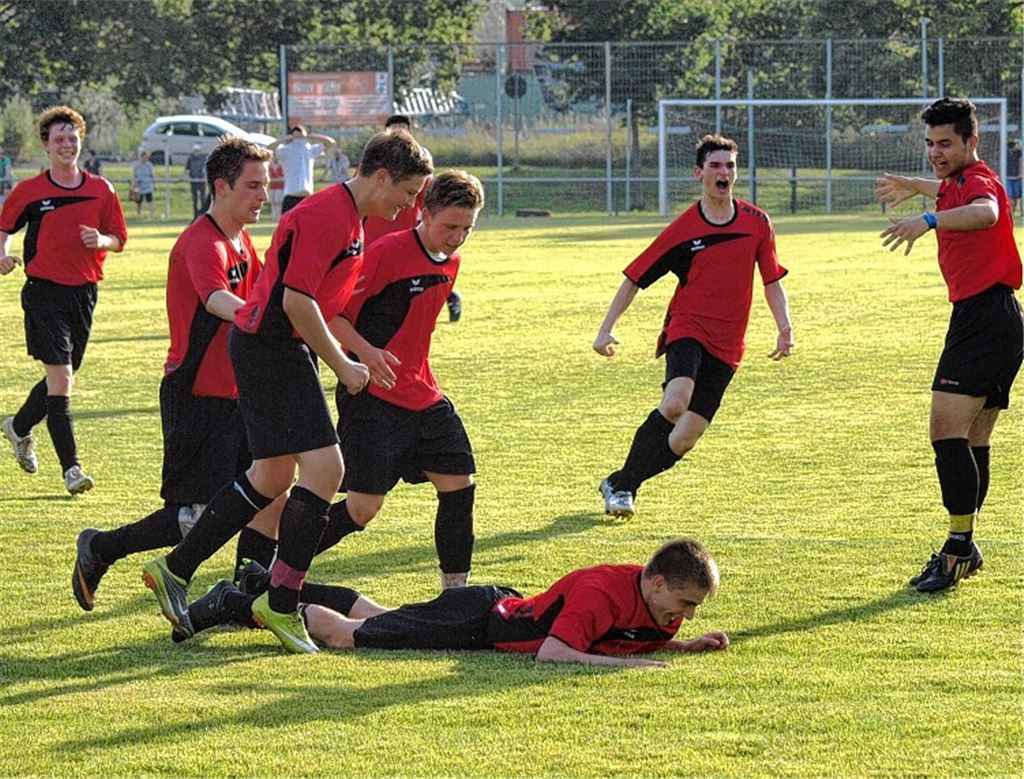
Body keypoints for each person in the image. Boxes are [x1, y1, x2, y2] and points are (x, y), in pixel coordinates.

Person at [141, 130, 433, 654]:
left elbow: (323, 303)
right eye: (408, 193)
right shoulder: (329, 214)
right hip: (270, 348)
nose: (409, 205)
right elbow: (298, 302)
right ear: (382, 177)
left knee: (272, 475)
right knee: (328, 471)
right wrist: (342, 364)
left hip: (270, 348)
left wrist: (360, 351)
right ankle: (279, 601)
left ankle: (174, 566)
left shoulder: (354, 219)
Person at [239, 170, 486, 590]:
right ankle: (271, 569)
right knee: (362, 508)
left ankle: (455, 594)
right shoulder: (386, 252)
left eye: (467, 228)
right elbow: (331, 313)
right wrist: (366, 354)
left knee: (459, 486)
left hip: (424, 396)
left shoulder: (453, 261)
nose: (457, 237)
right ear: (423, 214)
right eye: (450, 226)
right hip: (372, 398)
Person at [71, 136, 287, 611]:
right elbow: (217, 300)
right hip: (197, 394)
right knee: (194, 516)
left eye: (265, 185)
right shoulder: (200, 242)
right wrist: (261, 319)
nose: (263, 195)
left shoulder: (242, 240)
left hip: (241, 394)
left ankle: (247, 599)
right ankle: (100, 547)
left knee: (269, 492)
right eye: (253, 186)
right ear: (222, 186)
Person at [592, 134, 793, 519]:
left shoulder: (757, 223)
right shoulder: (684, 228)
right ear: (699, 173)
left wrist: (785, 327)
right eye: (715, 165)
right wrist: (606, 329)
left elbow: (771, 279)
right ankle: (623, 488)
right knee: (675, 401)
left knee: (684, 438)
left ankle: (620, 481)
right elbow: (635, 276)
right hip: (688, 328)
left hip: (729, 343)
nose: (724, 172)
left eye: (730, 165)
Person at [876, 97, 1023, 593]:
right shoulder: (955, 181)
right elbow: (945, 187)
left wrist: (929, 220)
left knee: (945, 433)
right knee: (974, 439)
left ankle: (958, 547)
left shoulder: (979, 182)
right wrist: (914, 186)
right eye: (930, 143)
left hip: (984, 319)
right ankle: (966, 543)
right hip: (997, 319)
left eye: (946, 144)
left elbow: (984, 212)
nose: (936, 152)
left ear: (971, 142)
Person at [181, 538, 730, 669]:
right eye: (683, 604)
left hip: (486, 613)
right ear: (656, 583)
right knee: (345, 634)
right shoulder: (601, 592)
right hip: (477, 621)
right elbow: (557, 654)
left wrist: (684, 643)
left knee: (375, 616)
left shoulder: (650, 601)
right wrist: (636, 666)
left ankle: (259, 583)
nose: (684, 615)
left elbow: (623, 636)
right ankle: (237, 602)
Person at [0, 106, 127, 494]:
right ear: (46, 145)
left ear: (80, 141)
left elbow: (118, 238)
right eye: (58, 139)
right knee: (62, 378)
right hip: (43, 293)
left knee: (62, 377)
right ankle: (72, 469)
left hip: (84, 294)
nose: (66, 145)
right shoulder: (30, 192)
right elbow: (3, 226)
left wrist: (101, 240)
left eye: (72, 138)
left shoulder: (101, 189)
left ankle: (18, 427)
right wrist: (2, 254)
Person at [364, 114, 462, 323]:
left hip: (403, 225)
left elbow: (428, 194)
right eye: (393, 129)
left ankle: (449, 296)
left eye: (402, 128)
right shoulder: (375, 159)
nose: (399, 133)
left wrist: (425, 219)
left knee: (412, 274)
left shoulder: (420, 159)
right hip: (376, 227)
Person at [270, 124, 335, 214]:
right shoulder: (286, 151)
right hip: (291, 195)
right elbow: (270, 148)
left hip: (306, 196)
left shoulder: (309, 150)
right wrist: (286, 139)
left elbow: (330, 142)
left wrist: (312, 136)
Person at [184, 143, 208, 218]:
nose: (196, 152)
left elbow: (207, 170)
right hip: (193, 180)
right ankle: (195, 215)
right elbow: (187, 169)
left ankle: (203, 214)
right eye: (195, 150)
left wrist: (206, 179)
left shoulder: (204, 158)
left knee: (203, 198)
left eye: (198, 150)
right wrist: (183, 177)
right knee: (195, 199)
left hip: (202, 181)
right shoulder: (191, 158)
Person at [131, 150, 155, 219]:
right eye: (144, 157)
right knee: (139, 202)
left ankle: (152, 215)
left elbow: (152, 175)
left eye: (147, 157)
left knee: (150, 201)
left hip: (148, 186)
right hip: (139, 186)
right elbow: (134, 175)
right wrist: (134, 184)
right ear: (141, 157)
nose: (145, 159)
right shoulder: (137, 165)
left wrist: (153, 183)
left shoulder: (149, 165)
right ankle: (138, 215)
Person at [1006, 139, 1021, 217]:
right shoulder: (1006, 153)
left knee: (1016, 195)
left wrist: (1020, 173)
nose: (1017, 146)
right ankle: (1010, 211)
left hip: (1016, 177)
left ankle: (1015, 211)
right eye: (1016, 145)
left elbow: (1021, 162)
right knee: (1010, 195)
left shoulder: (1019, 153)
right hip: (1008, 177)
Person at [268, 157, 284, 221]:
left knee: (278, 202)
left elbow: (284, 177)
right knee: (273, 202)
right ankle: (273, 217)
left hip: (280, 186)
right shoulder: (270, 166)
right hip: (272, 186)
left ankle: (278, 217)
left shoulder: (281, 165)